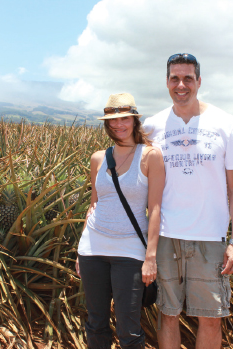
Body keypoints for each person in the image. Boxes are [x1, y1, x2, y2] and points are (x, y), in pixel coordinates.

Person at [142, 53, 233, 349]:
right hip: (165, 235)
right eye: (175, 78)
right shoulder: (152, 127)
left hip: (210, 237)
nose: (181, 84)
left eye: (188, 78)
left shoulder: (226, 123)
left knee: (212, 317)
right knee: (167, 314)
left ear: (199, 81)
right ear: (166, 82)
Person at [76, 92, 165, 349]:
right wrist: (81, 249)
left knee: (129, 328)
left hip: (130, 250)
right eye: (112, 121)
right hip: (93, 248)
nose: (118, 125)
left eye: (124, 119)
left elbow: (155, 208)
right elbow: (94, 203)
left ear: (135, 121)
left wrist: (151, 257)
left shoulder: (150, 156)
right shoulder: (98, 158)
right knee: (96, 322)